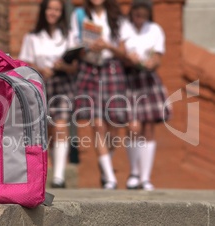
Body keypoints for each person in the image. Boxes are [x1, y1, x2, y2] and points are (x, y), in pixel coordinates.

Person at [18, 0, 77, 188]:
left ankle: (59, 177)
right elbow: (24, 63)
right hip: (40, 84)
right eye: (51, 9)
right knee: (48, 130)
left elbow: (74, 66)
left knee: (61, 125)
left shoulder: (67, 36)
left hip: (62, 83)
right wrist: (40, 69)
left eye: (57, 10)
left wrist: (63, 66)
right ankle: (49, 169)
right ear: (44, 11)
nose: (54, 13)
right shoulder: (32, 37)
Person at [70, 0, 129, 189]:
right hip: (89, 68)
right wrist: (88, 48)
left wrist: (108, 47)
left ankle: (105, 166)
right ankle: (110, 178)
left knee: (115, 124)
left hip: (112, 69)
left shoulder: (118, 18)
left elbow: (124, 51)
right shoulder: (79, 15)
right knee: (97, 123)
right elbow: (73, 47)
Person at [122, 1, 172, 191]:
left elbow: (158, 57)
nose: (139, 19)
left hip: (148, 79)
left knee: (149, 126)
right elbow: (120, 52)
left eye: (143, 15)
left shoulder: (155, 30)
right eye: (136, 14)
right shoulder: (125, 28)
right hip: (130, 79)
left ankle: (145, 178)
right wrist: (128, 59)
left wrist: (152, 62)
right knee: (133, 126)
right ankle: (134, 173)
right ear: (132, 14)